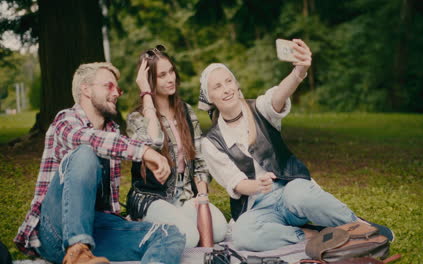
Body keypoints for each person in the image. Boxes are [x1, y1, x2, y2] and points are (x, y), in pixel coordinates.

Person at [198, 39, 394, 251]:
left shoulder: (260, 108)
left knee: (299, 194)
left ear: (237, 85)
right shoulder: (211, 143)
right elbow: (235, 184)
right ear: (210, 97)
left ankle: (358, 225)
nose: (226, 89)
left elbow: (279, 95)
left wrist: (299, 71)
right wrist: (257, 186)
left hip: (289, 190)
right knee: (243, 234)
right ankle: (314, 234)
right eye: (217, 87)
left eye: (228, 81)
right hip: (258, 208)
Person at [14, 62, 185, 264]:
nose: (116, 93)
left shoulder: (112, 131)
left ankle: (85, 253)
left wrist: (146, 92)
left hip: (95, 229)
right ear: (86, 89)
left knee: (168, 233)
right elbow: (89, 140)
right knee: (85, 153)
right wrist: (144, 152)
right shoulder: (65, 120)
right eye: (108, 86)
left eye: (117, 88)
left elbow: (154, 141)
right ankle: (77, 250)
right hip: (54, 232)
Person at [126, 45, 227, 248]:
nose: (170, 78)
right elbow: (153, 141)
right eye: (162, 75)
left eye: (171, 71)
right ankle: (138, 223)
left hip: (185, 196)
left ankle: (175, 222)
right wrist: (146, 93)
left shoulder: (186, 111)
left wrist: (202, 199)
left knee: (218, 231)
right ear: (149, 80)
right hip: (151, 198)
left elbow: (199, 160)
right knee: (188, 238)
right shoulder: (136, 118)